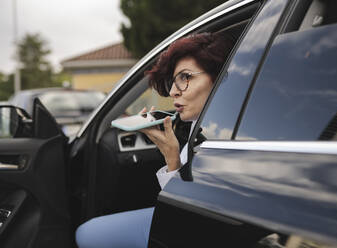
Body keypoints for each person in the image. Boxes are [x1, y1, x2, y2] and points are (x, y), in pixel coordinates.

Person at [75, 32, 234, 248]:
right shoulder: (209, 127)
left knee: (86, 233)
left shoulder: (228, 135)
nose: (172, 92)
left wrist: (171, 157)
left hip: (190, 227)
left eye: (185, 78)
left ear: (220, 76)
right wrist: (172, 156)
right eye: (173, 81)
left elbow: (187, 217)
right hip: (184, 219)